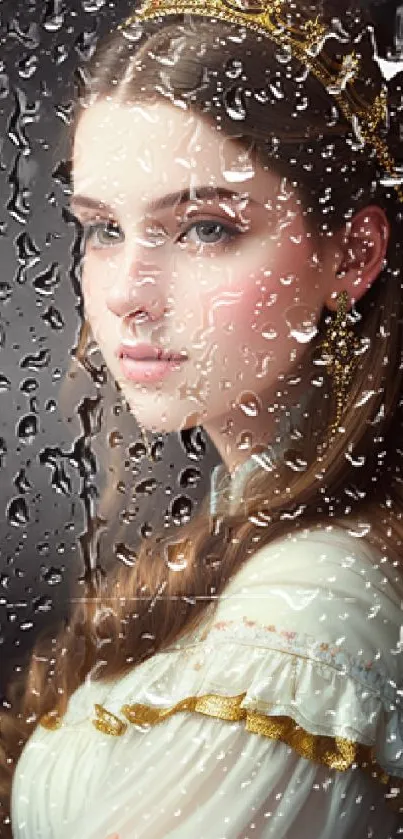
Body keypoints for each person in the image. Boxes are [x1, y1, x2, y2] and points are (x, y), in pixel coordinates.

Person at [1, 0, 403, 836]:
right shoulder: (244, 528)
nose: (126, 295)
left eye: (204, 228)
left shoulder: (310, 608)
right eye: (104, 229)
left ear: (351, 254)